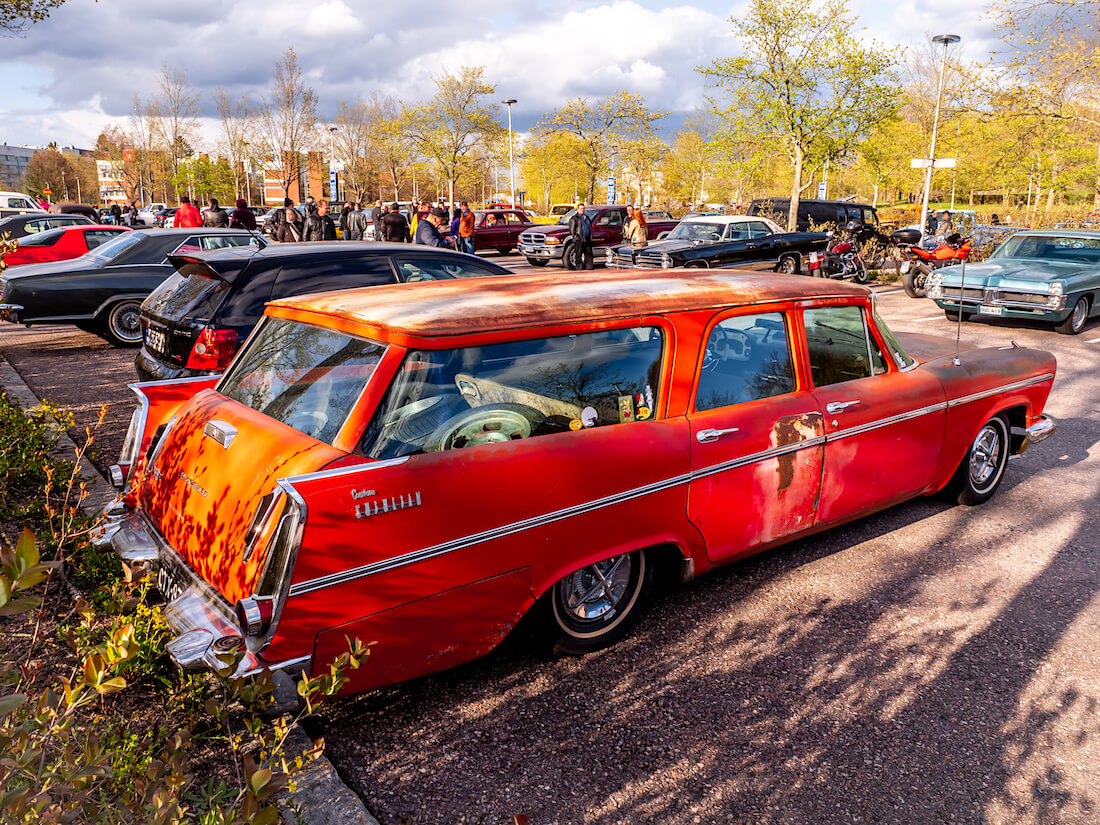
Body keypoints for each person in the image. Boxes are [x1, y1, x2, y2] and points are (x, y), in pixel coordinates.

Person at [568, 201, 594, 270]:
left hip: (587, 239)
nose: (582, 210)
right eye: (581, 208)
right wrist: (577, 237)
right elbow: (572, 230)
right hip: (579, 240)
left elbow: (590, 227)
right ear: (578, 209)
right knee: (578, 255)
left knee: (589, 255)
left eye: (583, 208)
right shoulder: (574, 218)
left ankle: (589, 267)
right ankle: (579, 268)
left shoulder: (587, 218)